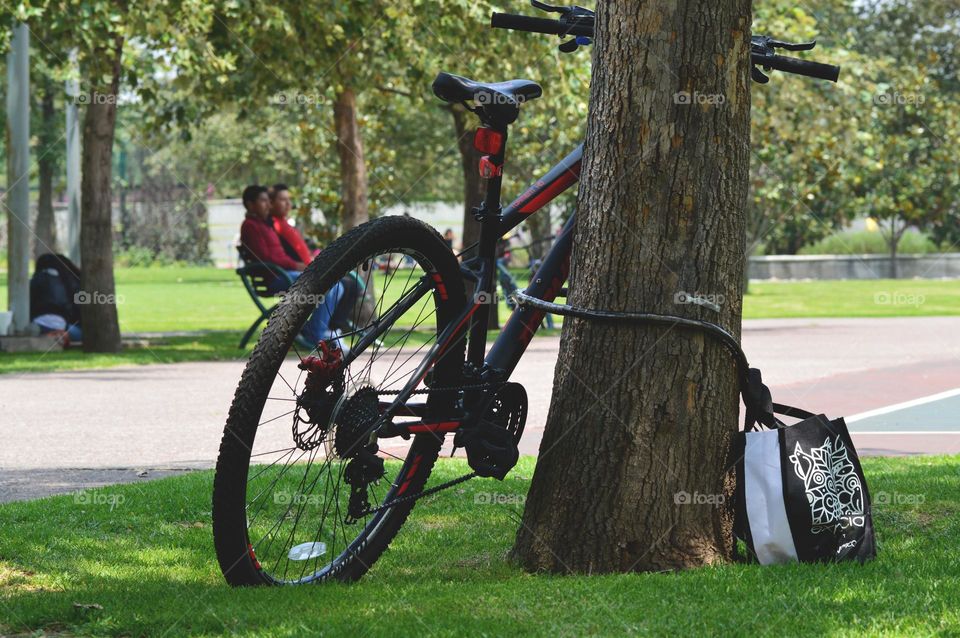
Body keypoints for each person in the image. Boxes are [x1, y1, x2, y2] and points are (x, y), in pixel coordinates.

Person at [239, 184, 344, 346]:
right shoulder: (250, 226)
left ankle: (315, 331)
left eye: (268, 201)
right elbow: (265, 258)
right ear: (250, 204)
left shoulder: (265, 224)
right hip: (275, 277)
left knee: (335, 285)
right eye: (263, 201)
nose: (268, 205)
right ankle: (314, 335)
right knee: (328, 286)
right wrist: (295, 265)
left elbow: (278, 255)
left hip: (285, 273)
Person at [30, 253, 83, 344]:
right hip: (64, 326)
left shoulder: (34, 281)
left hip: (37, 325)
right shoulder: (70, 282)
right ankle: (59, 335)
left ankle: (52, 334)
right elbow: (78, 310)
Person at [269, 183, 315, 265]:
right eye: (283, 200)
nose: (288, 203)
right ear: (271, 203)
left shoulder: (283, 223)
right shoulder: (274, 225)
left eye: (289, 199)